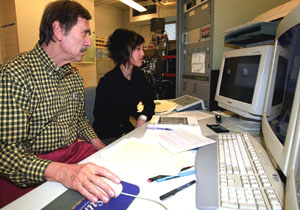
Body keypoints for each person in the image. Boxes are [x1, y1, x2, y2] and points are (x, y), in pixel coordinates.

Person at [0, 0, 120, 207]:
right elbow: (9, 156)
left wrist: (100, 146)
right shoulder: (13, 75)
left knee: (116, 179)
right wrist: (65, 173)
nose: (89, 42)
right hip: (35, 165)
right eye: (84, 33)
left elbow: (79, 120)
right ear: (58, 30)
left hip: (73, 153)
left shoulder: (74, 76)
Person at [93, 29, 155, 145]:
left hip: (126, 132)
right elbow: (101, 118)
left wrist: (142, 117)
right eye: (138, 49)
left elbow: (150, 103)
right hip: (107, 137)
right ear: (124, 51)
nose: (142, 53)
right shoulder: (107, 82)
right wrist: (127, 132)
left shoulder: (139, 77)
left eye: (142, 48)